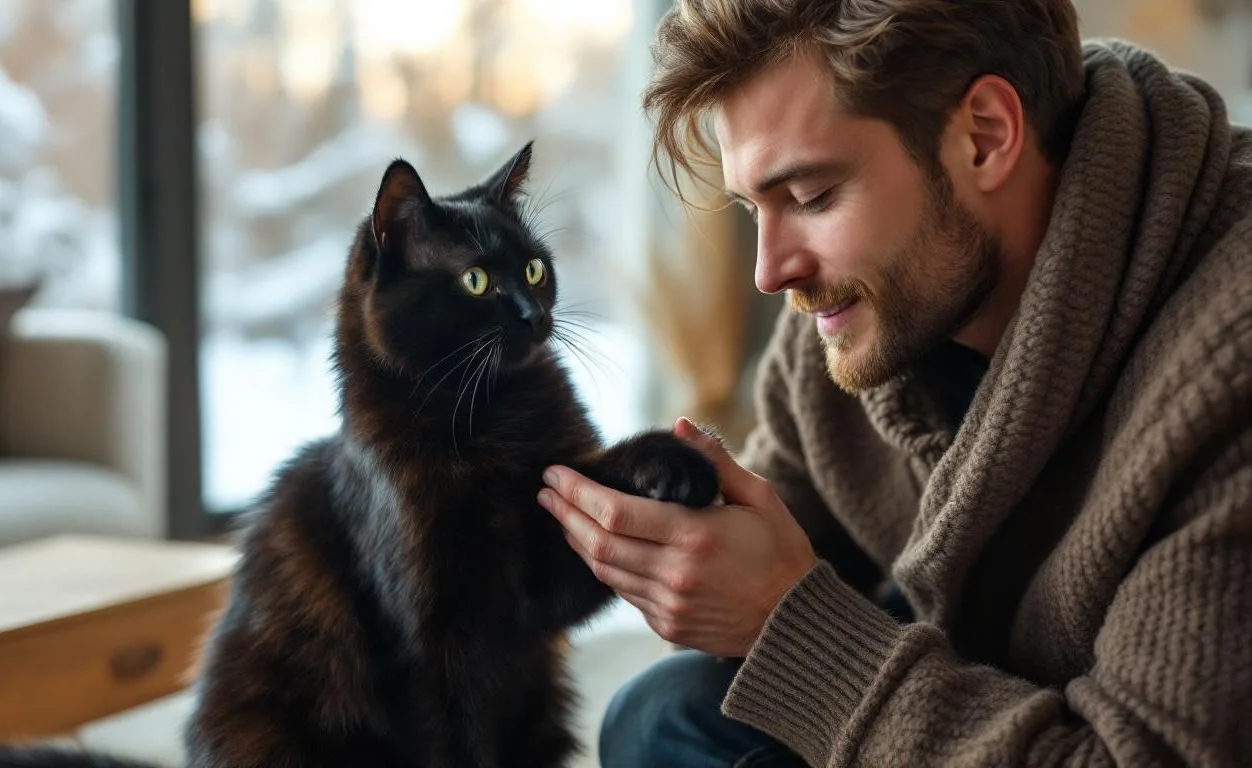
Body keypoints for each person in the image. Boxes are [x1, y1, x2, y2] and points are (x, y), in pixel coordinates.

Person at [533, 0, 1252, 765]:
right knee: (662, 715)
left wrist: (792, 625)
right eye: (753, 208)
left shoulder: (1227, 356)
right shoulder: (871, 308)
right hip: (977, 705)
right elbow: (790, 537)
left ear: (985, 137)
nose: (770, 271)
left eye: (811, 198)